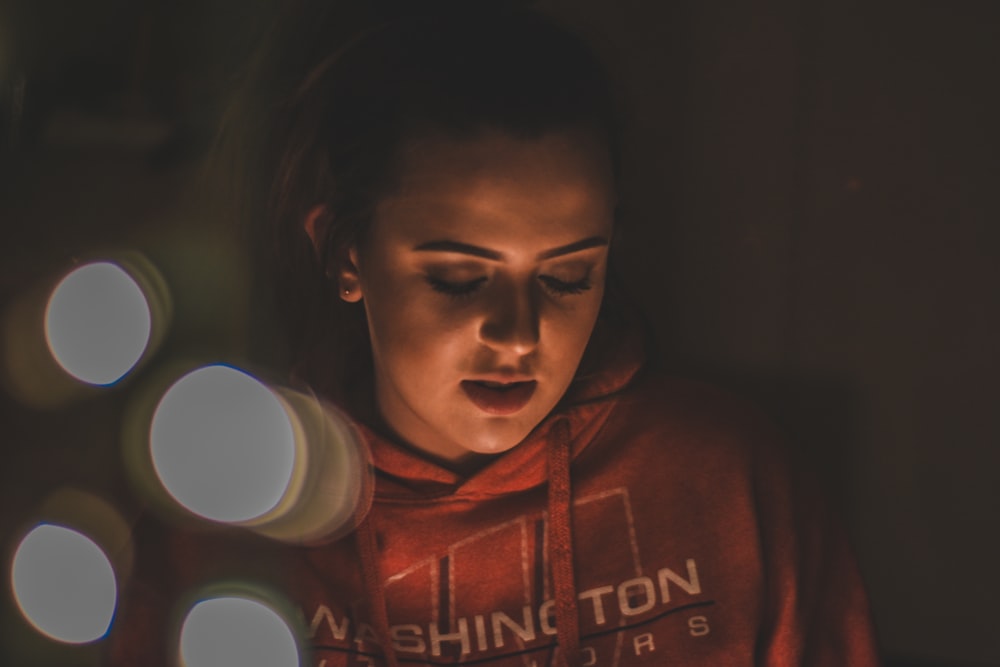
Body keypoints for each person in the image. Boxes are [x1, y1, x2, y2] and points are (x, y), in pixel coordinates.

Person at [110, 3, 882, 666]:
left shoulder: (730, 486)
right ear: (344, 251)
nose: (520, 335)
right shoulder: (219, 526)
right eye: (459, 278)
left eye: (567, 276)